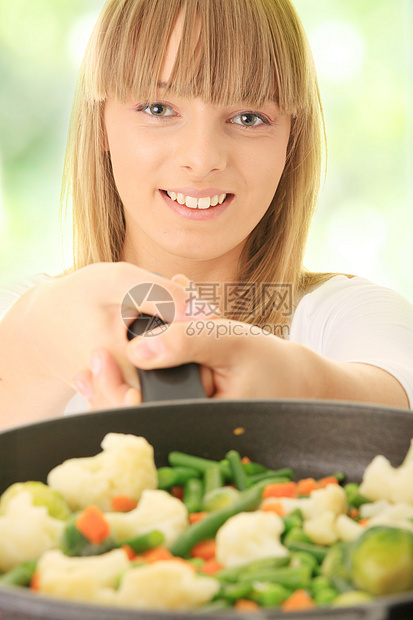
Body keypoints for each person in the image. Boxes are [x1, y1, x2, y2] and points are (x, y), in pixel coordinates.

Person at [0, 0, 412, 429]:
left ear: (291, 141)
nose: (201, 159)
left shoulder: (349, 316)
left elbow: (393, 398)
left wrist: (300, 382)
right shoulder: (16, 312)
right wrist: (35, 337)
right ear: (101, 122)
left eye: (249, 117)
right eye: (159, 109)